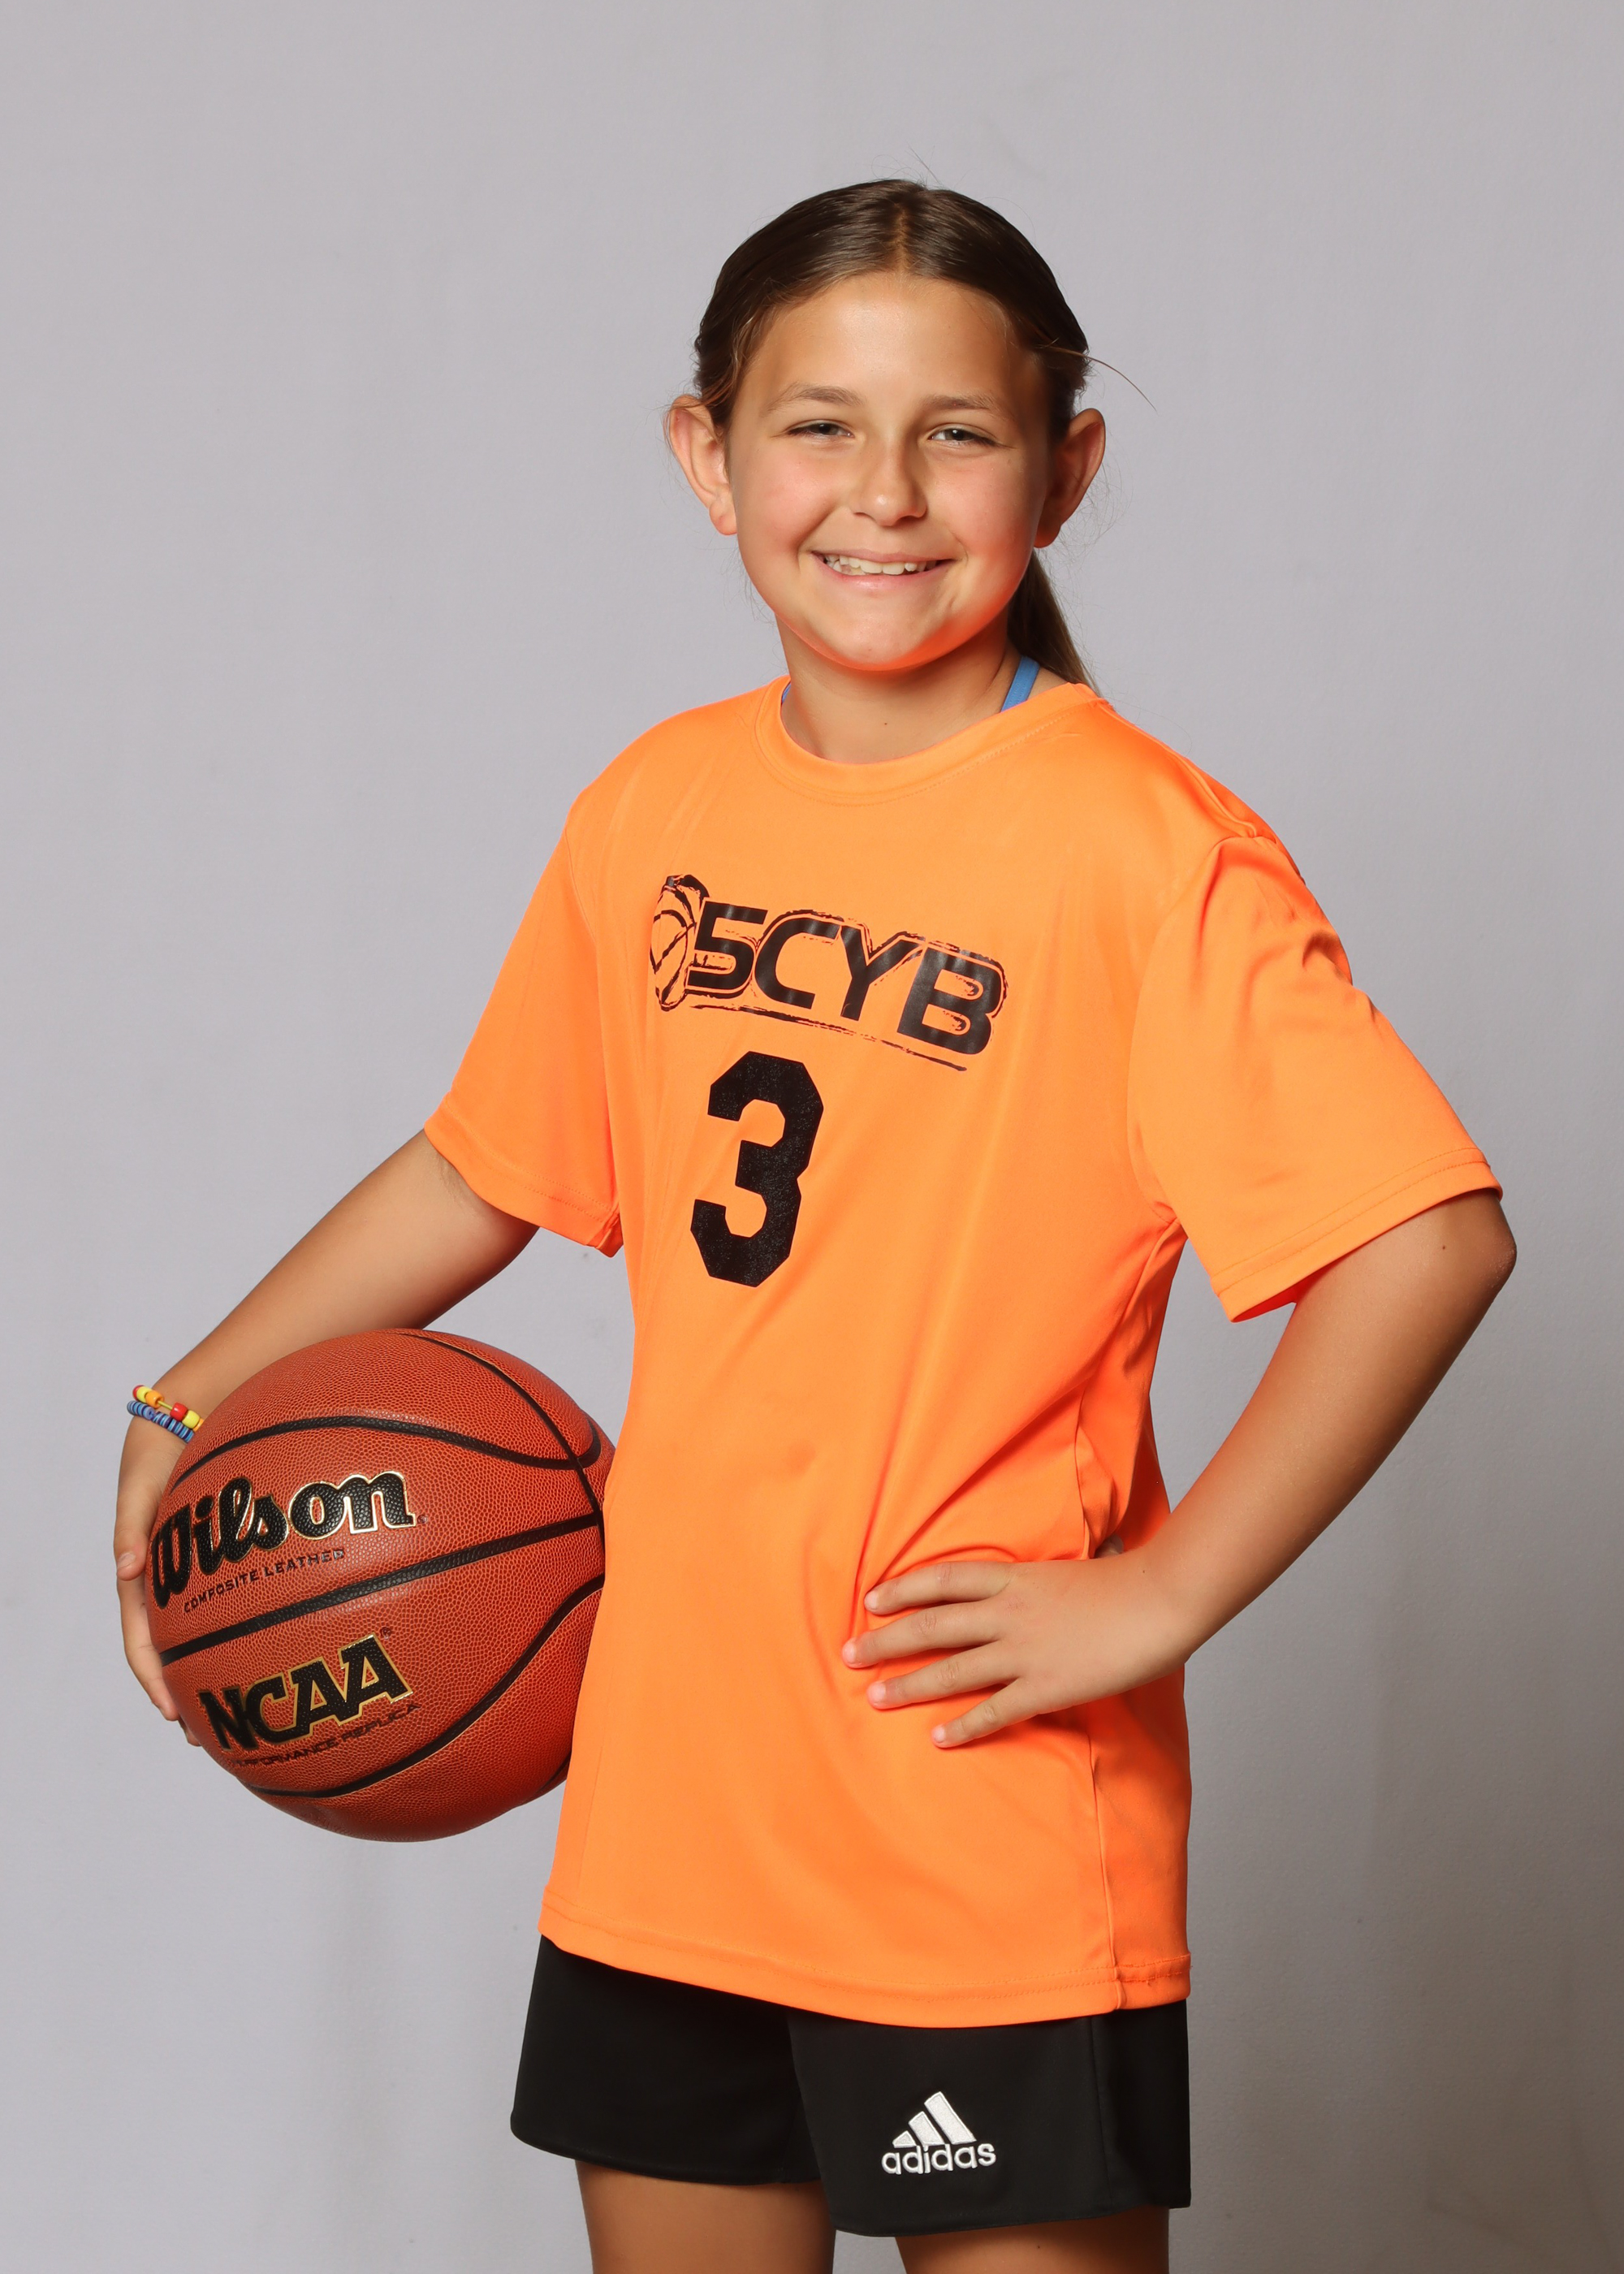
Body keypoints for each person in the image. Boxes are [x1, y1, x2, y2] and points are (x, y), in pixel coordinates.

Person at [115, 181, 1515, 2273]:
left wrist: (1159, 1597)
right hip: (670, 1802)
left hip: (973, 1812)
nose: (884, 493)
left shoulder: (1145, 854)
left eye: (957, 431)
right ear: (709, 458)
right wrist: (190, 1398)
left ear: (1066, 469)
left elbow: (1428, 1238)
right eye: (818, 426)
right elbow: (483, 1171)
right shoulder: (652, 809)